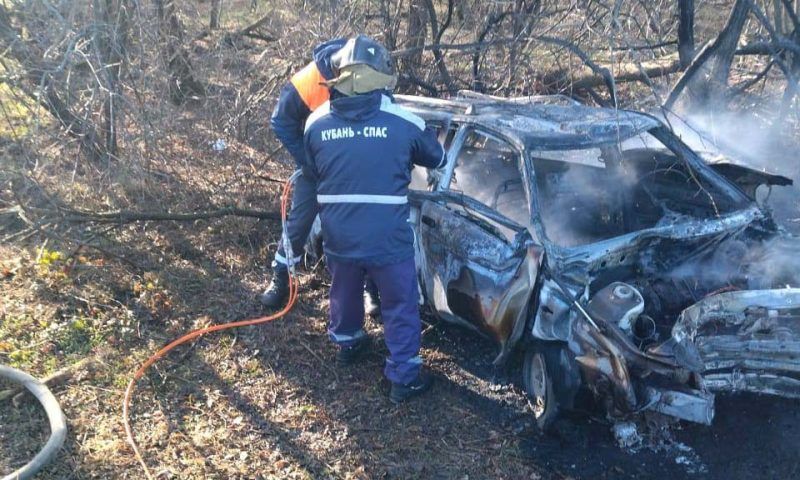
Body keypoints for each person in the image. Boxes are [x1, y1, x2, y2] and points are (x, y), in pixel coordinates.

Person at [302, 35, 446, 403]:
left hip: (340, 235)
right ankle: (404, 378)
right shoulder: (403, 121)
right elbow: (438, 158)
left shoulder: (315, 123)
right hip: (387, 239)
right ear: (380, 79)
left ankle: (349, 343)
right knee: (399, 303)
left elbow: (313, 166)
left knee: (344, 291)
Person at [262, 38, 381, 316]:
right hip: (317, 163)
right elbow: (281, 121)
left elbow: (385, 115)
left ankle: (370, 287)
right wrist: (307, 161)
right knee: (300, 221)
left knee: (364, 223)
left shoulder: (372, 75)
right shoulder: (310, 79)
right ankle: (281, 275)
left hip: (357, 165)